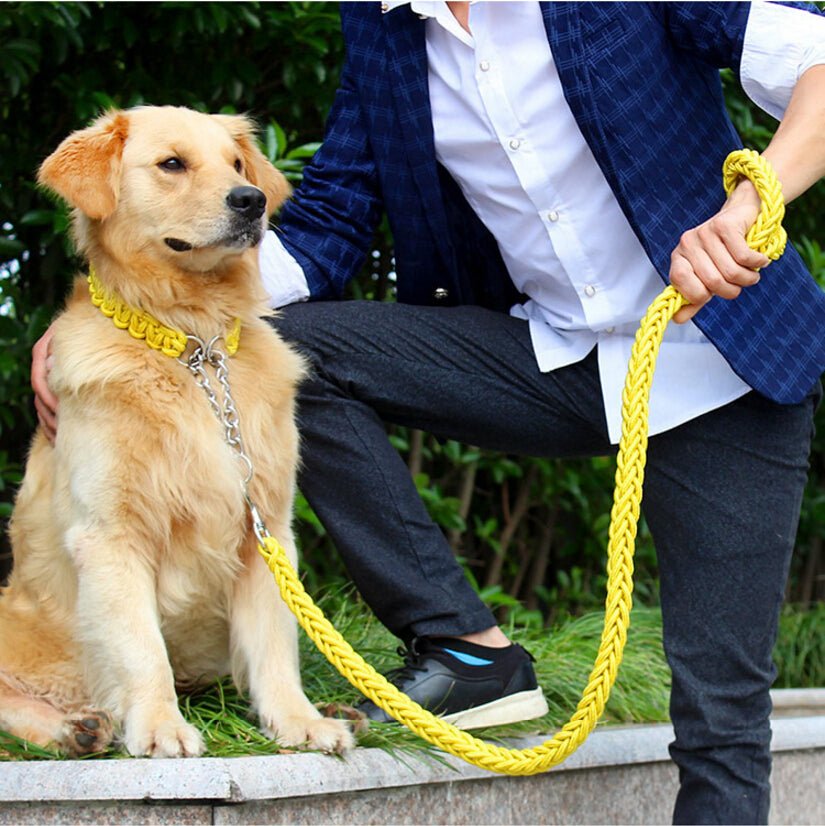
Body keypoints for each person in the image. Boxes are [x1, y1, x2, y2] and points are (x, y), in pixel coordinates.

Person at [32, 2, 825, 822]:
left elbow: (818, 61)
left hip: (723, 361)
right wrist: (112, 318)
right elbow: (331, 218)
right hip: (551, 359)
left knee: (720, 718)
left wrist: (742, 215)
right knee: (305, 350)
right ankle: (466, 650)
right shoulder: (383, 29)